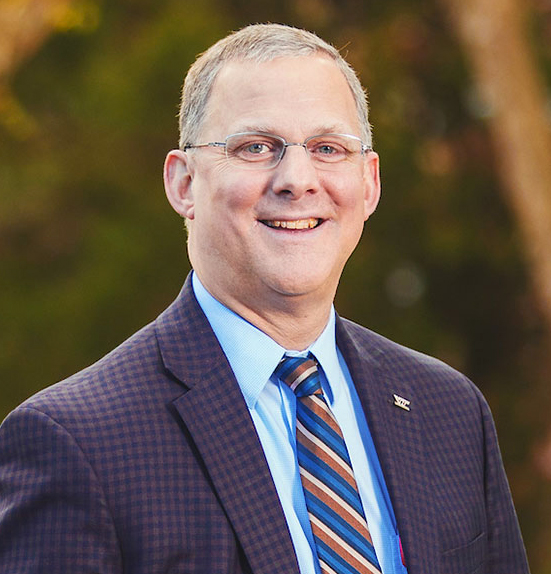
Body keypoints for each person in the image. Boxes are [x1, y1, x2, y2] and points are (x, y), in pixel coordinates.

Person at [0, 23, 529, 574]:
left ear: (369, 184)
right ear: (184, 184)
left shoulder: (450, 412)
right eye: (256, 147)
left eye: (328, 148)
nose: (297, 180)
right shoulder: (74, 444)